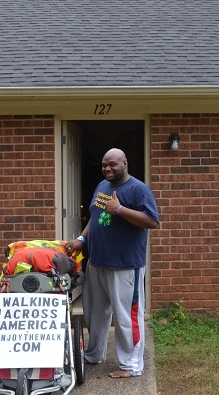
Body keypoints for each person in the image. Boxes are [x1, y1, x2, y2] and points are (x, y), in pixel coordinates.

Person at [66, 148, 159, 378]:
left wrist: (119, 209)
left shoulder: (138, 189)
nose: (108, 168)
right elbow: (96, 219)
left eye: (113, 165)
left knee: (126, 316)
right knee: (94, 314)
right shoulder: (102, 186)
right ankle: (94, 355)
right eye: (104, 165)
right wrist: (81, 239)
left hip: (125, 265)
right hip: (97, 262)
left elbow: (151, 221)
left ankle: (131, 365)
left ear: (125, 163)